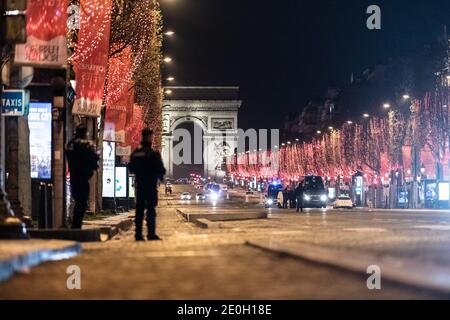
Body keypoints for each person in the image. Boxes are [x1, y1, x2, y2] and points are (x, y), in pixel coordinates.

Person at [128, 129, 166, 241]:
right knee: (150, 210)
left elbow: (130, 168)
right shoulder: (153, 153)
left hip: (140, 184)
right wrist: (159, 176)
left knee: (139, 210)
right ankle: (151, 234)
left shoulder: (136, 153)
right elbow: (160, 169)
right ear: (150, 138)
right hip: (150, 185)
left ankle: (138, 234)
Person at [66, 124, 99, 229]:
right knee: (82, 202)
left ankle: (75, 224)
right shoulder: (88, 145)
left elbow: (67, 154)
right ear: (85, 133)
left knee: (77, 200)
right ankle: (76, 224)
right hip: (83, 177)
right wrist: (91, 169)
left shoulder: (71, 144)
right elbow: (95, 160)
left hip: (74, 176)